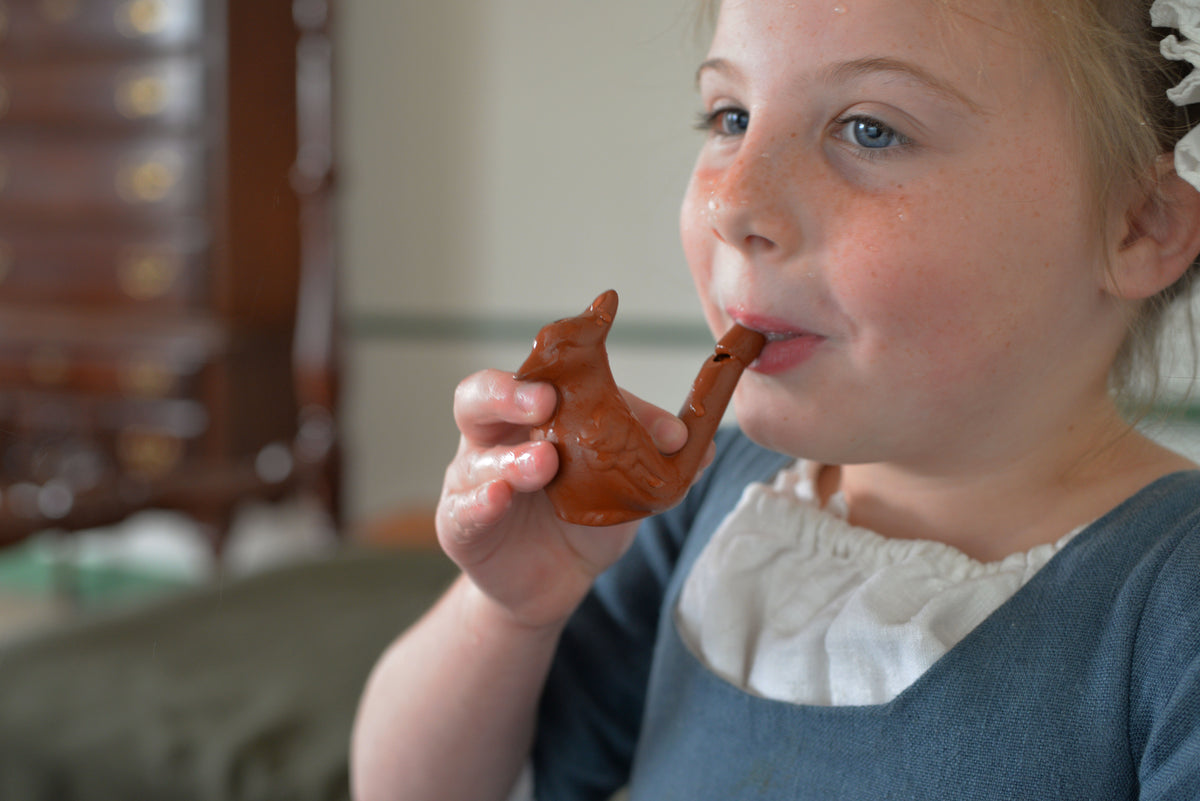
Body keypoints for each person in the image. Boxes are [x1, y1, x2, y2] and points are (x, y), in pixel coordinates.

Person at [351, 0, 1200, 798]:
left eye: (870, 130)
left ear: (1141, 224)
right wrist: (510, 610)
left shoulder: (1174, 603)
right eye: (730, 117)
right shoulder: (712, 502)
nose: (733, 201)